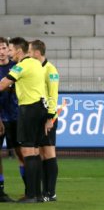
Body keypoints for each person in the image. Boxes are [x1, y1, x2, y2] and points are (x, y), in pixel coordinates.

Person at [0, 37, 46, 203]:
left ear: (18, 51)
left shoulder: (21, 66)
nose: (9, 53)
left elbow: (3, 84)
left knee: (27, 152)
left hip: (29, 109)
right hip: (40, 108)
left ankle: (31, 195)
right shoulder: (36, 63)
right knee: (34, 152)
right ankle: (38, 194)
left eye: (10, 50)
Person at [28, 40, 59, 202]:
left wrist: (50, 118)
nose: (28, 54)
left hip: (48, 117)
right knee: (40, 154)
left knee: (49, 153)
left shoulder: (50, 69)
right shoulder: (36, 69)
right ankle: (44, 192)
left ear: (37, 53)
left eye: (30, 51)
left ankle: (51, 192)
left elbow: (53, 95)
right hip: (37, 117)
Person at [0, 37, 24, 202]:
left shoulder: (16, 67)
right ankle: (1, 191)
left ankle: (30, 189)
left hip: (16, 116)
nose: (1, 52)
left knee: (21, 153)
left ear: (9, 49)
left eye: (3, 48)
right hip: (0, 118)